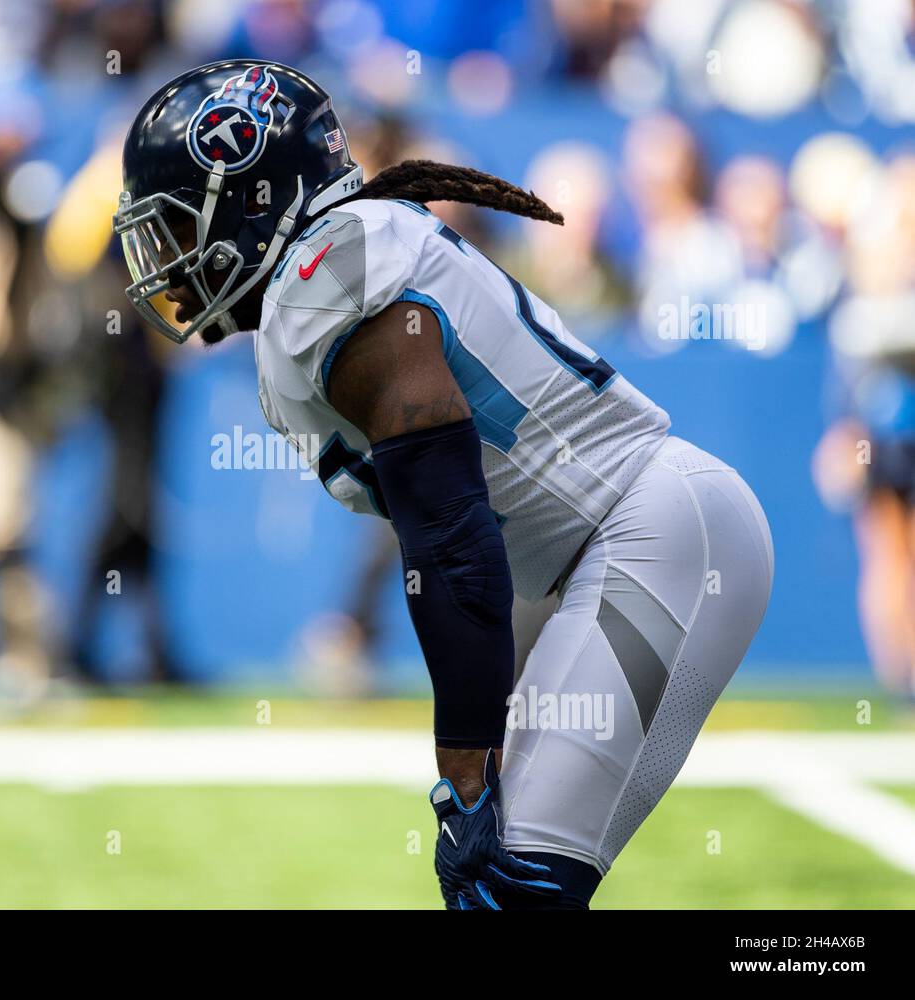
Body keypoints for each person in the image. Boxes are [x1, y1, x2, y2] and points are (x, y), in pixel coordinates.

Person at [113, 61, 774, 910]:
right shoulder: (331, 269)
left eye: (174, 226)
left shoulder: (331, 281)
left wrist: (465, 771)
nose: (165, 259)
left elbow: (452, 539)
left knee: (511, 889)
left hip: (650, 538)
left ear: (249, 201)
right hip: (606, 546)